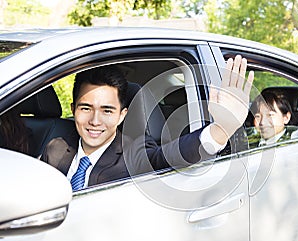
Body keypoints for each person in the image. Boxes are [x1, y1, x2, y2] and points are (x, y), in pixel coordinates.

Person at [41, 55, 254, 191]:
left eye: (107, 110)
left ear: (122, 115)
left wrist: (221, 129)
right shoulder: (56, 147)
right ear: (73, 110)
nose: (95, 121)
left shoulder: (134, 153)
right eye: (86, 108)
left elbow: (170, 156)